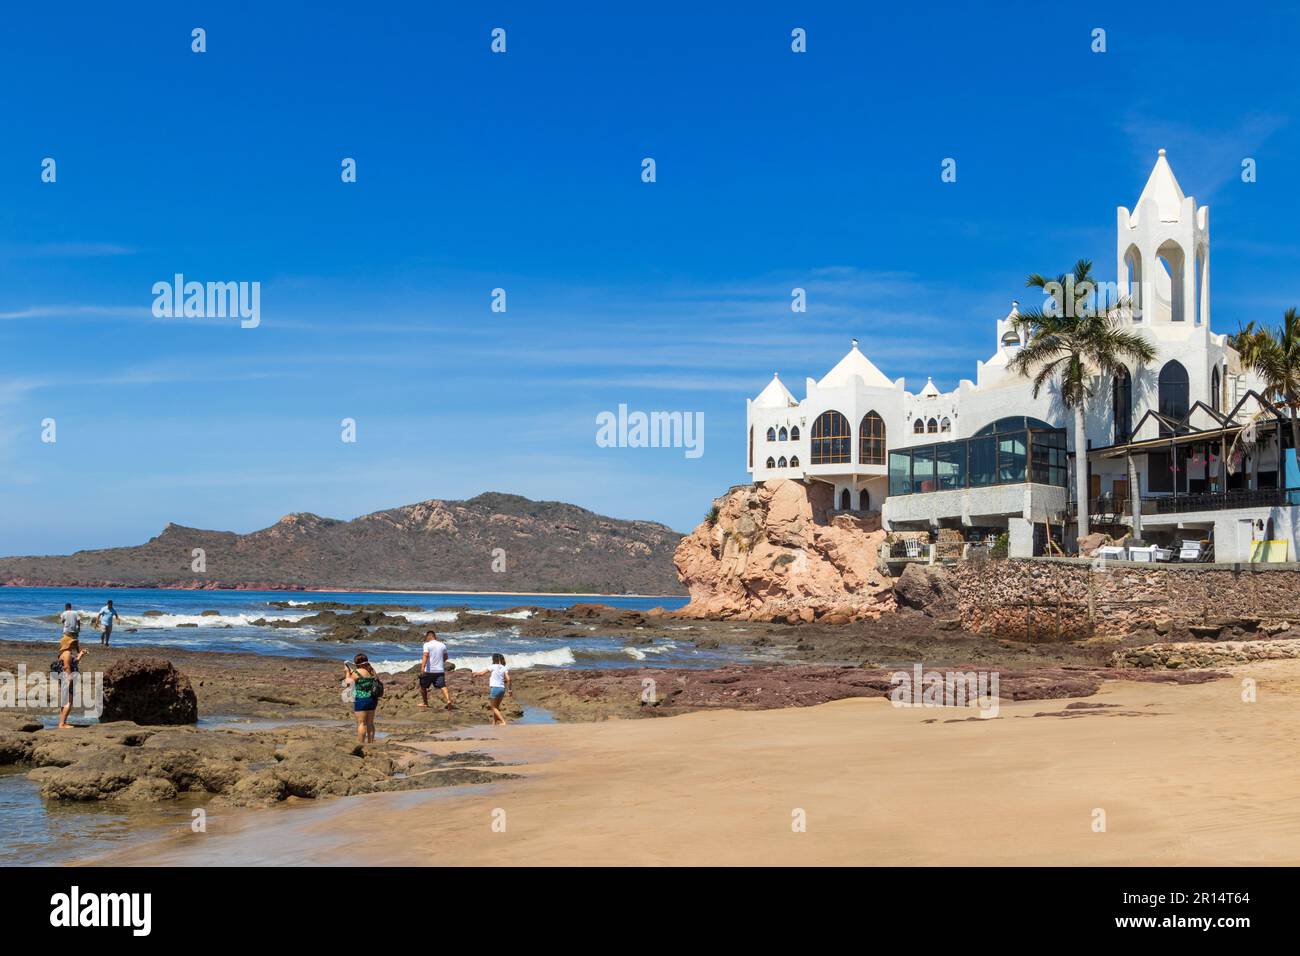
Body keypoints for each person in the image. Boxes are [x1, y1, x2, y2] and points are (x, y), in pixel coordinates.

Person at [56, 607, 87, 729]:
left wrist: (81, 654)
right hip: (67, 678)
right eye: (73, 643)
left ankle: (62, 721)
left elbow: (74, 663)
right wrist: (69, 680)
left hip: (64, 678)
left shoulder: (65, 653)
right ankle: (62, 723)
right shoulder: (67, 654)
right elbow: (67, 667)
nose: (74, 645)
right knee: (69, 701)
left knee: (65, 701)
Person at [343, 653, 379, 744]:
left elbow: (347, 684)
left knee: (361, 723)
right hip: (373, 699)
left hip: (361, 699)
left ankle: (361, 743)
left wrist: (347, 673)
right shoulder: (372, 671)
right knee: (370, 722)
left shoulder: (357, 673)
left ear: (356, 663)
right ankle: (370, 743)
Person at [418, 629, 454, 711]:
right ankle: (448, 700)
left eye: (426, 637)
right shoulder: (442, 645)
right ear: (435, 637)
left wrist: (422, 667)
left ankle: (425, 703)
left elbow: (425, 655)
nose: (426, 639)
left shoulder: (427, 645)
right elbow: (446, 657)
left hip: (428, 671)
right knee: (443, 686)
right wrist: (441, 662)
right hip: (439, 670)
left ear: (429, 636)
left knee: (423, 687)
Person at [473, 653, 511, 726]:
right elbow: (508, 679)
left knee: (493, 707)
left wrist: (475, 674)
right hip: (502, 689)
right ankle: (494, 722)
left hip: (495, 688)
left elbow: (482, 673)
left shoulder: (492, 666)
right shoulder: (504, 668)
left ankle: (503, 721)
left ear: (494, 659)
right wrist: (510, 690)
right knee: (496, 707)